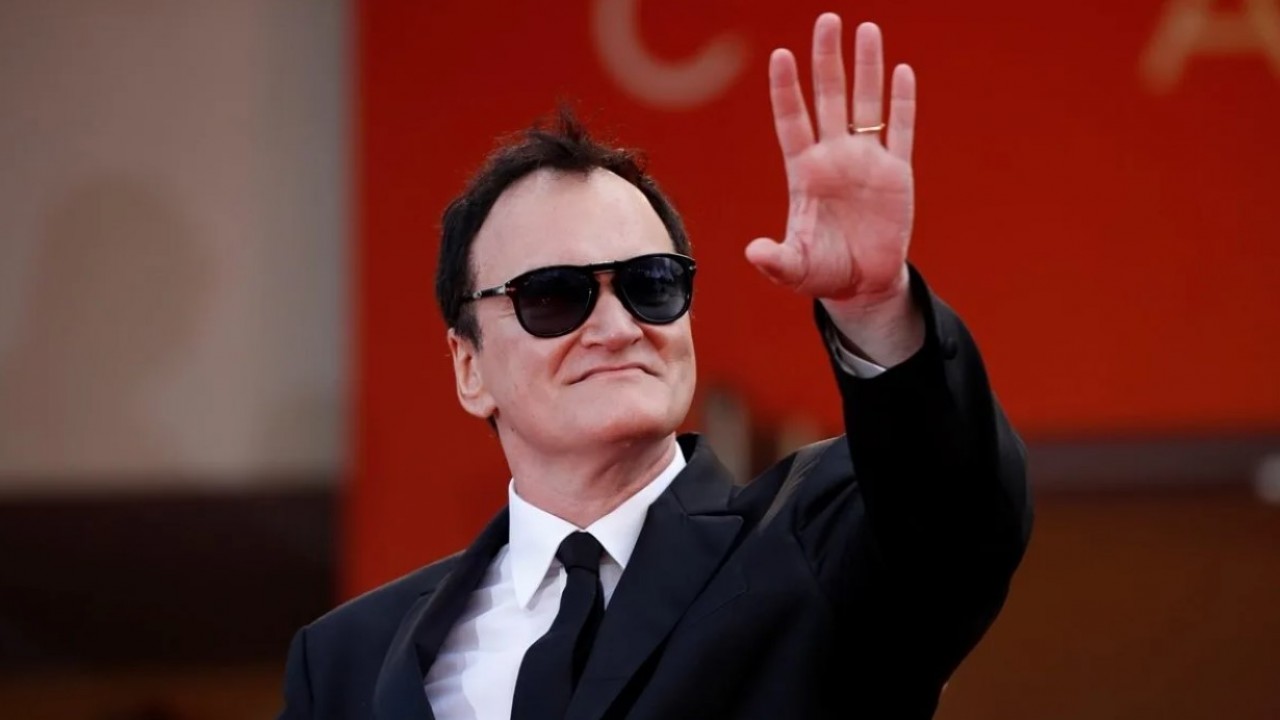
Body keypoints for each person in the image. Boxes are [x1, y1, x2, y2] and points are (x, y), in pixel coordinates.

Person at [278, 13, 1031, 720]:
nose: (616, 328)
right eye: (553, 296)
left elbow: (955, 520)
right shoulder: (345, 661)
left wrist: (875, 307)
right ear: (468, 367)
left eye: (651, 284)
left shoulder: (813, 543)